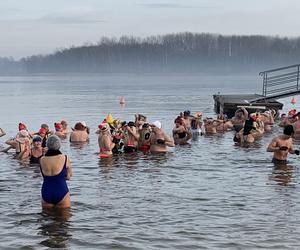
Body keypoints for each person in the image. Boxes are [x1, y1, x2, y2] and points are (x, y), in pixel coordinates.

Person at [40, 135, 72, 209]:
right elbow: (68, 176)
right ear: (59, 144)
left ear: (47, 145)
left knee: (46, 218)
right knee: (64, 219)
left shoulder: (41, 159)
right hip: (61, 191)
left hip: (46, 192)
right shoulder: (65, 158)